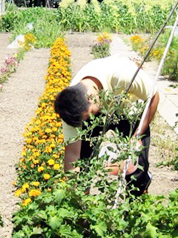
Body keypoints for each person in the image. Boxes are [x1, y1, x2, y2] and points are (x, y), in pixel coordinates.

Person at [54, 56, 160, 196]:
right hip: (99, 108)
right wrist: (72, 192)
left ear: (90, 97)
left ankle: (137, 198)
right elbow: (72, 154)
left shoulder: (123, 74)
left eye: (90, 114)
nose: (88, 121)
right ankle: (81, 206)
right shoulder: (69, 106)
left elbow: (153, 96)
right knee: (83, 161)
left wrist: (137, 136)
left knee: (135, 163)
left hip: (128, 110)